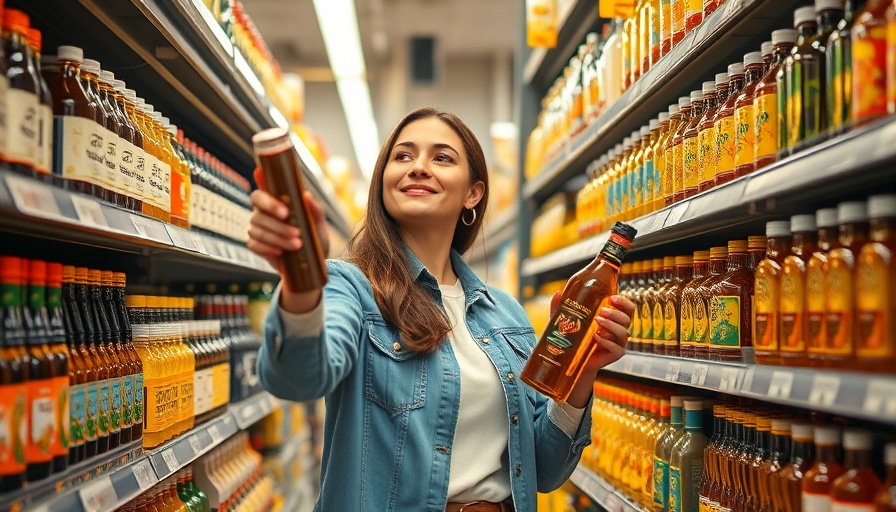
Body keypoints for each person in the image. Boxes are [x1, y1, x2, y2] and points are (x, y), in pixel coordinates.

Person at [248, 107, 636, 512]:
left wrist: (583, 369)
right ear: (383, 182)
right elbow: (297, 379)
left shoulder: (506, 315)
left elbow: (546, 470)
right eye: (402, 156)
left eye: (442, 157)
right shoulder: (351, 288)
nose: (418, 167)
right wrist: (300, 283)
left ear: (473, 193)